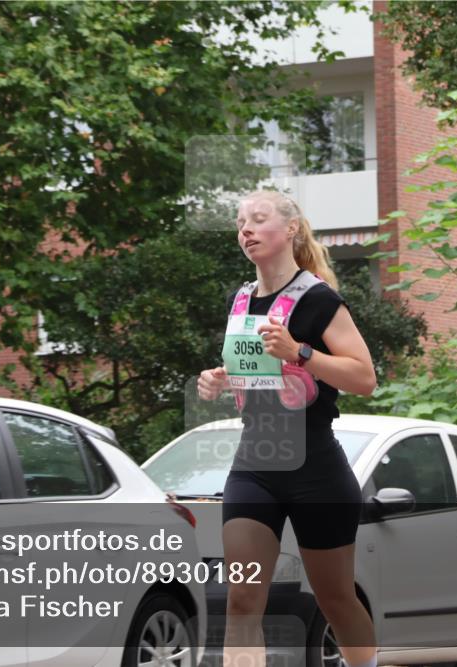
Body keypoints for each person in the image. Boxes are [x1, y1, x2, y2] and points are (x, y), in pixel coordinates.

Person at [197, 189, 378, 667]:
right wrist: (217, 380)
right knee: (241, 601)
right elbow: (250, 374)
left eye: (258, 220)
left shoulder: (318, 299)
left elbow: (365, 378)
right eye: (240, 223)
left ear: (291, 229)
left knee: (335, 599)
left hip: (316, 467)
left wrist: (301, 352)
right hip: (254, 465)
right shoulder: (240, 299)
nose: (246, 230)